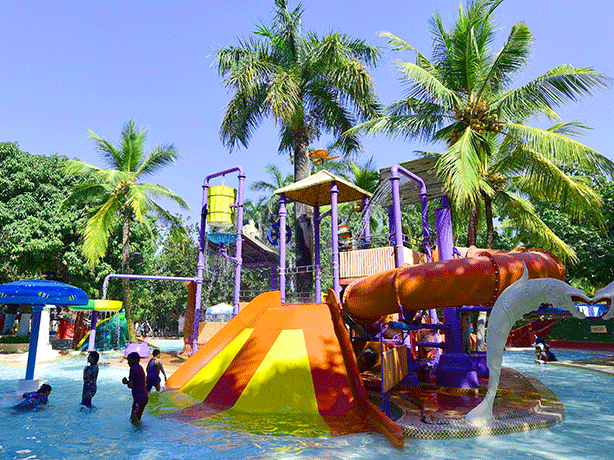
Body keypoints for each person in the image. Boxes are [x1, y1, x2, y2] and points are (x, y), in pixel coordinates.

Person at [122, 351, 149, 425]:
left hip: (139, 398)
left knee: (135, 421)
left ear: (135, 360)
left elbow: (130, 385)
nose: (128, 363)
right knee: (133, 418)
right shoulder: (140, 367)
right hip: (143, 396)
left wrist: (126, 382)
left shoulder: (133, 368)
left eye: (129, 360)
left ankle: (138, 434)